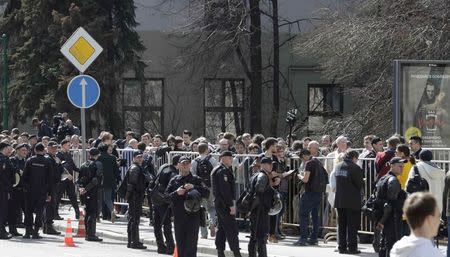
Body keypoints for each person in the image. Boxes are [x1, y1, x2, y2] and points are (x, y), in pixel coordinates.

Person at [165, 156, 210, 257]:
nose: (185, 165)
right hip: (179, 217)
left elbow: (207, 193)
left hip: (193, 217)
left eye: (187, 163)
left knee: (191, 245)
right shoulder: (174, 180)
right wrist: (176, 193)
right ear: (179, 165)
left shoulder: (196, 179)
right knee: (180, 245)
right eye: (183, 163)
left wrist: (194, 187)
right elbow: (166, 197)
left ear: (190, 165)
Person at [391, 192, 444, 257]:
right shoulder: (433, 254)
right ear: (429, 219)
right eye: (438, 216)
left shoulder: (396, 248)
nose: (439, 221)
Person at [211, 151, 242, 257]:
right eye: (229, 157)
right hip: (224, 205)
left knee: (222, 229)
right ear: (223, 158)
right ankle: (236, 252)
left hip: (221, 204)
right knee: (231, 228)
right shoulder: (222, 171)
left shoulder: (222, 169)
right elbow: (225, 191)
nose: (231, 159)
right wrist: (231, 205)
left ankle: (220, 252)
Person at [375, 157, 407, 257]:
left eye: (403, 166)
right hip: (391, 217)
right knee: (391, 244)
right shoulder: (392, 180)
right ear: (392, 166)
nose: (402, 168)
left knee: (385, 243)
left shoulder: (384, 177)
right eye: (399, 166)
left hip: (385, 216)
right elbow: (392, 201)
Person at [334, 150, 364, 254]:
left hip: (340, 200)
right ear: (354, 157)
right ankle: (352, 248)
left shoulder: (338, 166)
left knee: (342, 225)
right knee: (352, 226)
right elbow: (360, 184)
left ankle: (341, 247)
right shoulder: (355, 168)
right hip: (352, 201)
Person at [22, 143, 53, 239]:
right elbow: (50, 179)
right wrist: (50, 193)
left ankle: (27, 232)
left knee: (28, 211)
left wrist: (26, 188)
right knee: (39, 212)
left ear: (35, 150)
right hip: (42, 191)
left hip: (30, 191)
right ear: (43, 150)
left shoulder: (30, 160)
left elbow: (24, 177)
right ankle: (35, 232)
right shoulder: (47, 162)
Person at [294, 149, 324, 246]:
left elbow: (306, 179)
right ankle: (314, 238)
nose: (303, 161)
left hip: (309, 192)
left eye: (302, 159)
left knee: (303, 215)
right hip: (318, 192)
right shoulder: (318, 161)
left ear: (304, 156)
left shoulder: (309, 163)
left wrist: (299, 176)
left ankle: (303, 238)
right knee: (315, 216)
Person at [248, 157, 277, 257]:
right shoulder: (262, 176)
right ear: (264, 164)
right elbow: (259, 191)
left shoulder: (256, 175)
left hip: (257, 209)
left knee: (255, 236)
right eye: (270, 164)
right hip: (260, 210)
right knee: (261, 236)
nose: (271, 166)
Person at [151, 155, 180, 254]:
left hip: (156, 198)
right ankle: (170, 247)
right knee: (166, 224)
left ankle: (160, 246)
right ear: (178, 164)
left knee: (157, 224)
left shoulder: (164, 167)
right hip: (164, 201)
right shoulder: (173, 173)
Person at [191, 142, 219, 239]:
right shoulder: (212, 159)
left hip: (200, 188)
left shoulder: (195, 161)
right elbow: (217, 171)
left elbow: (193, 175)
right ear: (206, 150)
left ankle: (204, 234)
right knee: (212, 207)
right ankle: (212, 223)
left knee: (202, 209)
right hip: (210, 187)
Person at [77, 148, 103, 242]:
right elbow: (95, 180)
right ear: (97, 155)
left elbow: (79, 180)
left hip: (85, 192)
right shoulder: (98, 164)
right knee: (93, 212)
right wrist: (85, 189)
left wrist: (81, 188)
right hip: (93, 191)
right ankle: (91, 234)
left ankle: (88, 234)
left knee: (87, 212)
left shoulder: (84, 164)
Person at [126, 150, 150, 249]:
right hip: (135, 196)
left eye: (141, 157)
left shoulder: (139, 167)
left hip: (137, 196)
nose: (140, 158)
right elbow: (131, 184)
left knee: (133, 218)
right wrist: (129, 196)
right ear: (134, 158)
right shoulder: (135, 168)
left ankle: (132, 241)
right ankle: (134, 241)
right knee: (134, 219)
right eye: (138, 157)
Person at [56, 139, 80, 219]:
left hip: (69, 180)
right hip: (62, 179)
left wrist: (82, 170)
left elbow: (73, 166)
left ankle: (77, 213)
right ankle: (55, 214)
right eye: (68, 145)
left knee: (73, 196)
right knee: (58, 197)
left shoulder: (69, 155)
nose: (69, 146)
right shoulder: (59, 155)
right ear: (63, 145)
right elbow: (61, 167)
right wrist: (67, 174)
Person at [7, 143, 27, 237]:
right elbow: (9, 171)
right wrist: (18, 170)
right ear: (17, 150)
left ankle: (28, 229)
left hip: (23, 188)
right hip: (14, 189)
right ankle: (12, 229)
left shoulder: (26, 161)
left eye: (26, 150)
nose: (25, 152)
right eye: (23, 150)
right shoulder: (12, 160)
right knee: (13, 210)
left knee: (26, 209)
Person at [43, 141, 62, 235]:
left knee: (49, 205)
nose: (55, 150)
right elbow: (53, 173)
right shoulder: (48, 159)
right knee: (49, 206)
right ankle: (48, 226)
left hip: (52, 185)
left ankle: (46, 226)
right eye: (53, 148)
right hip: (49, 185)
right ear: (48, 148)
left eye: (56, 148)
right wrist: (57, 164)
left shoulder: (54, 158)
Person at [98, 143, 120, 222]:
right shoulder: (113, 158)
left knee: (99, 199)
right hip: (110, 180)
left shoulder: (99, 158)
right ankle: (112, 210)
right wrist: (117, 179)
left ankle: (97, 216)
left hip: (100, 181)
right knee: (108, 199)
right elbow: (116, 170)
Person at [0, 142, 14, 239]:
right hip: (2, 188)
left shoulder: (5, 158)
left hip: (4, 187)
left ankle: (2, 229)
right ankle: (1, 231)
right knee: (2, 210)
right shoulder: (2, 159)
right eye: (8, 148)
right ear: (4, 148)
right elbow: (4, 175)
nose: (9, 150)